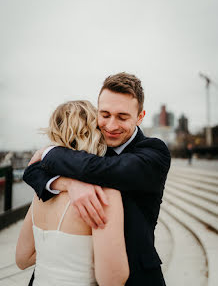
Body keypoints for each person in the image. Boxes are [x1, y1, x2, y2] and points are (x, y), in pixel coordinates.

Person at [23, 72, 171, 285]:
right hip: (87, 267)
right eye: (105, 114)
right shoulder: (94, 145)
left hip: (137, 273)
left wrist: (50, 152)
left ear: (140, 117)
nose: (111, 126)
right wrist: (68, 184)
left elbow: (104, 170)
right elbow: (32, 172)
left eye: (122, 117)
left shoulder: (154, 153)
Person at [16, 100, 129, 286]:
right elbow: (113, 278)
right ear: (95, 133)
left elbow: (22, 258)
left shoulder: (43, 192)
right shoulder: (103, 193)